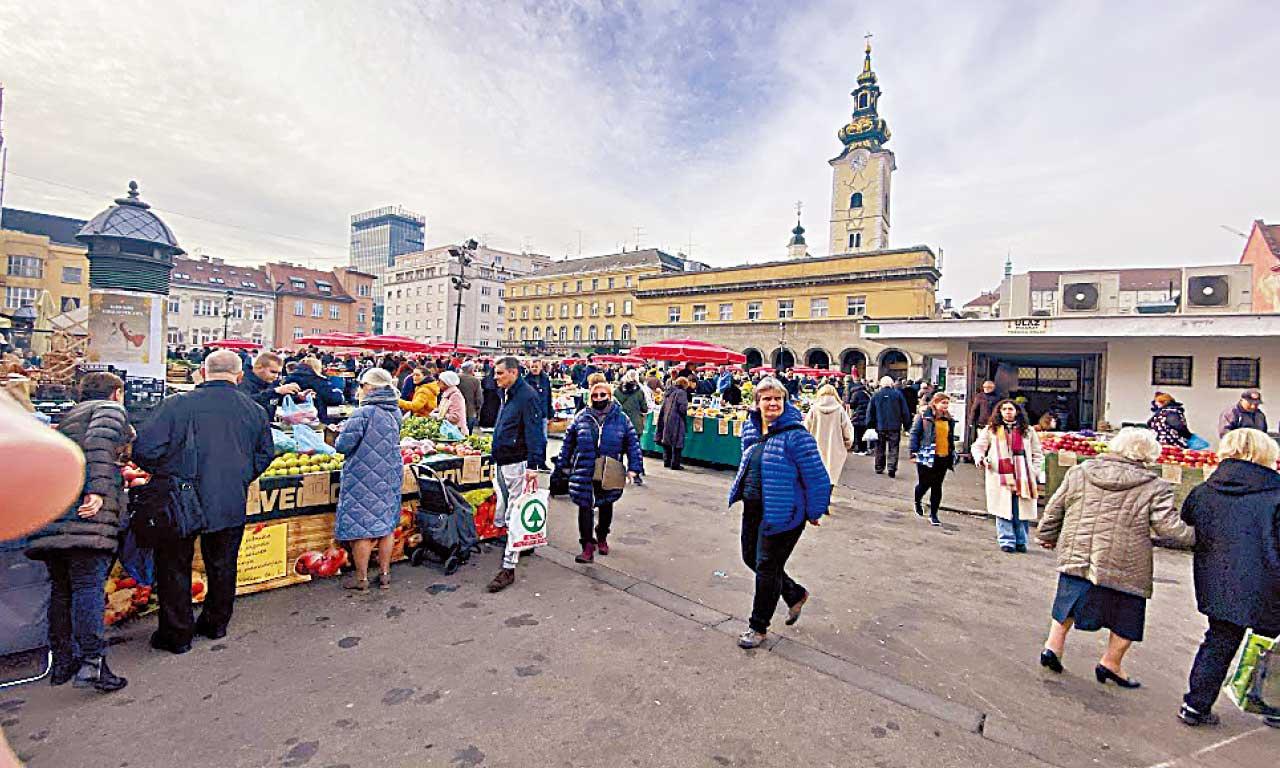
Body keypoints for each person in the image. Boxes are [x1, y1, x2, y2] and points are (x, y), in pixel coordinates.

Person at [133, 350, 273, 654]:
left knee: (174, 566)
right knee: (223, 565)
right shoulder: (254, 410)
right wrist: (241, 476)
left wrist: (169, 471)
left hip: (179, 499)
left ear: (203, 372)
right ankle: (216, 624)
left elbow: (144, 449)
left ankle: (177, 635)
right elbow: (265, 454)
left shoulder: (176, 404)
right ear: (239, 376)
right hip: (229, 498)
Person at [1036, 428, 1194, 688]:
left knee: (1069, 600)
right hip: (1126, 561)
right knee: (1127, 614)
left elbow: (1055, 507)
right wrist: (1201, 537)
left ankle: (1053, 647)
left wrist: (1046, 535)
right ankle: (1111, 663)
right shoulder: (1155, 486)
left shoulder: (1080, 472)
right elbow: (1168, 528)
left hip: (1080, 551)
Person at [24, 373, 133, 692]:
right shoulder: (110, 409)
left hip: (57, 514)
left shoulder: (69, 416)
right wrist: (96, 490)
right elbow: (98, 446)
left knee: (62, 589)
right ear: (116, 393)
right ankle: (93, 663)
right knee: (87, 588)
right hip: (86, 518)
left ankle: (63, 661)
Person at [1177, 428, 1280, 727]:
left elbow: (1188, 519)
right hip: (1271, 582)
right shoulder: (1275, 493)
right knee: (1270, 643)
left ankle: (1195, 705)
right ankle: (1271, 704)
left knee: (1219, 640)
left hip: (1218, 581)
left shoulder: (1204, 490)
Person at [728, 377, 832, 649]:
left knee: (767, 566)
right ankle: (794, 593)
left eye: (777, 398)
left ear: (785, 402)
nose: (772, 403)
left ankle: (758, 627)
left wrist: (815, 510)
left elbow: (817, 478)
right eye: (767, 398)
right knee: (750, 557)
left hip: (785, 512)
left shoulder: (797, 436)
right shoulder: (751, 430)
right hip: (753, 508)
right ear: (757, 403)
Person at [559, 380, 644, 563]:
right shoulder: (581, 417)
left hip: (610, 468)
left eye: (603, 395)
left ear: (609, 396)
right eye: (595, 395)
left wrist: (634, 468)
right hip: (584, 468)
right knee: (585, 506)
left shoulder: (621, 418)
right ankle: (587, 546)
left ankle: (602, 535)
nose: (599, 398)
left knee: (606, 504)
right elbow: (568, 442)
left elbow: (632, 444)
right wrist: (563, 464)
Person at [334, 368, 404, 591]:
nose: (360, 389)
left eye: (362, 385)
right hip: (390, 473)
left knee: (361, 529)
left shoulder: (363, 413)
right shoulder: (395, 411)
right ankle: (384, 575)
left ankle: (361, 579)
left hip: (362, 475)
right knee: (386, 526)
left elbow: (343, 445)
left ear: (370, 387)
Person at [486, 356, 548, 593]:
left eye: (500, 373)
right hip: (503, 460)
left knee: (515, 513)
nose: (496, 377)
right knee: (505, 509)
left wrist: (533, 465)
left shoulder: (527, 396)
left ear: (513, 372)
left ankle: (509, 566)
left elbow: (535, 432)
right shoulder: (508, 393)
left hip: (518, 462)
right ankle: (519, 544)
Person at [972, 400, 1044, 553]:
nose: (1007, 412)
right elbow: (978, 447)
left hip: (1023, 475)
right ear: (999, 412)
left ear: (1017, 411)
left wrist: (1034, 471)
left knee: (1021, 510)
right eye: (1004, 409)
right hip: (1000, 475)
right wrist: (980, 458)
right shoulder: (991, 429)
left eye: (1010, 409)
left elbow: (1037, 453)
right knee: (1003, 509)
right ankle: (1006, 540)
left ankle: (1021, 541)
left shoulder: (1028, 431)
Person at [909, 393, 958, 527]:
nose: (945, 406)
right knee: (924, 484)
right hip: (927, 455)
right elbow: (915, 434)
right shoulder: (924, 416)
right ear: (935, 403)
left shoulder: (949, 419)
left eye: (947, 403)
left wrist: (952, 452)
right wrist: (913, 452)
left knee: (937, 486)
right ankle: (917, 500)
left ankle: (934, 514)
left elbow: (949, 437)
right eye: (943, 403)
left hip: (943, 456)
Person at [804, 383, 854, 485]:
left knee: (816, 476)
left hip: (815, 447)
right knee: (831, 476)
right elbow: (847, 429)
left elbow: (805, 428)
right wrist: (848, 443)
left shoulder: (814, 409)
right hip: (835, 447)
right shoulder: (839, 409)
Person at [864, 375, 912, 478]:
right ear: (891, 384)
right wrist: (907, 425)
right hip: (894, 426)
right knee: (893, 448)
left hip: (879, 426)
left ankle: (879, 467)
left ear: (881, 384)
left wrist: (869, 425)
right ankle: (892, 468)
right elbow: (905, 411)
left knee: (879, 447)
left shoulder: (876, 395)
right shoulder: (897, 395)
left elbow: (870, 412)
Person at [238, 351, 301, 422]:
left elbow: (274, 400)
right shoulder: (243, 382)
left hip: (266, 424)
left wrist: (298, 397)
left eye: (279, 373)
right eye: (273, 372)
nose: (276, 376)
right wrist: (275, 392)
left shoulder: (271, 383)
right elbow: (246, 403)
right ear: (259, 368)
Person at [282, 356, 345, 424]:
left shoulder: (288, 379)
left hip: (292, 416)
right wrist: (339, 393)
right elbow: (333, 399)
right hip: (317, 417)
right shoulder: (318, 381)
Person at [613, 370, 649, 486]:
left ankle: (616, 473)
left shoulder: (616, 391)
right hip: (635, 424)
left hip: (619, 424)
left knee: (618, 450)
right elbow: (644, 408)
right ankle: (636, 475)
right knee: (634, 450)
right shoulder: (639, 391)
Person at [656, 376, 691, 470]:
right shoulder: (681, 393)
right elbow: (682, 408)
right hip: (677, 420)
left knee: (667, 441)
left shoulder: (669, 391)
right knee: (677, 443)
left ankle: (666, 461)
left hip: (666, 418)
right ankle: (675, 464)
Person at [525, 359, 553, 468]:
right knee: (531, 439)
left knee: (543, 440)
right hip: (530, 415)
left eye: (536, 366)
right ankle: (531, 463)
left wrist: (550, 413)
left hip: (543, 414)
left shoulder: (545, 379)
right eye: (532, 367)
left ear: (541, 367)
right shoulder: (526, 380)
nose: (534, 369)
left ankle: (541, 462)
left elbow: (549, 397)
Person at [967, 380, 1000, 456]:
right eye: (984, 387)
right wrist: (971, 421)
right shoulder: (980, 396)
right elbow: (974, 409)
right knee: (981, 443)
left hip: (994, 424)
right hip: (982, 424)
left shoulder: (998, 397)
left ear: (993, 387)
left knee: (993, 443)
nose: (986, 388)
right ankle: (981, 458)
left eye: (989, 387)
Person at [433, 370, 470, 437]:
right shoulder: (447, 394)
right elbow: (445, 408)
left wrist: (441, 415)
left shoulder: (455, 396)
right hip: (449, 432)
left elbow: (455, 417)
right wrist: (436, 411)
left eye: (440, 381)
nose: (437, 382)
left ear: (446, 383)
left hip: (456, 433)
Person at [847, 378, 872, 455]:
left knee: (857, 433)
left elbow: (852, 405)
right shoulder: (867, 393)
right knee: (864, 433)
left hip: (858, 415)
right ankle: (864, 449)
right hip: (866, 415)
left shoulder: (855, 394)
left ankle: (858, 449)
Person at [458, 360, 483, 432]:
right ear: (471, 369)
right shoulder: (475, 380)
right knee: (468, 432)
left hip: (457, 409)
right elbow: (479, 397)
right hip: (470, 410)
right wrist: (478, 408)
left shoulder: (457, 377)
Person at [479, 364, 501, 429]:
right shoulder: (498, 379)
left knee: (486, 410)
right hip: (495, 397)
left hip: (487, 397)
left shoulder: (486, 379)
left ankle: (484, 423)